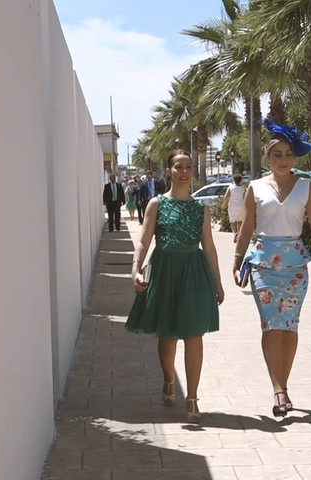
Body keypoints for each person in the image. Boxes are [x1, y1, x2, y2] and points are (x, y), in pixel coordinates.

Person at [233, 119, 311, 418]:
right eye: (277, 154)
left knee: (289, 328)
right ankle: (278, 388)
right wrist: (237, 258)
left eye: (288, 154)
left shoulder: (306, 186)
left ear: (295, 157)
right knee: (271, 327)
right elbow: (248, 225)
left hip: (295, 265)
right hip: (263, 263)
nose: (283, 159)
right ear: (267, 157)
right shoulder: (255, 187)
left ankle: (284, 386)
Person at [126, 150, 224, 423]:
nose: (184, 171)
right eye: (178, 167)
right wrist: (136, 267)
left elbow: (210, 248)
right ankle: (169, 379)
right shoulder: (156, 204)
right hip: (165, 271)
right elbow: (144, 240)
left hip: (193, 272)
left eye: (188, 167)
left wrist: (218, 282)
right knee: (167, 336)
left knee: (194, 334)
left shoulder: (200, 208)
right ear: (168, 171)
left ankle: (191, 397)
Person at [221, 173, 246, 243]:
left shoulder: (231, 187)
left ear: (234, 180)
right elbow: (245, 198)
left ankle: (235, 233)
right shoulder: (243, 188)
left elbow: (226, 196)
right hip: (241, 205)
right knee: (240, 221)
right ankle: (239, 233)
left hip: (232, 206)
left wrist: (223, 204)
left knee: (233, 221)